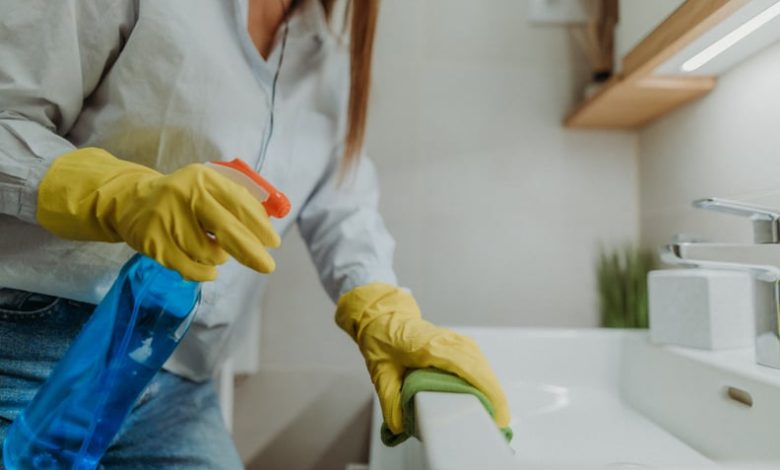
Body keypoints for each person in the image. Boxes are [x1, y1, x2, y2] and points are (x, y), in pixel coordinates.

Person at [0, 0, 510, 467]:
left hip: (177, 380)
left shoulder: (324, 58)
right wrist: (119, 194)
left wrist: (380, 311)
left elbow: (343, 206)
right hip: (36, 340)